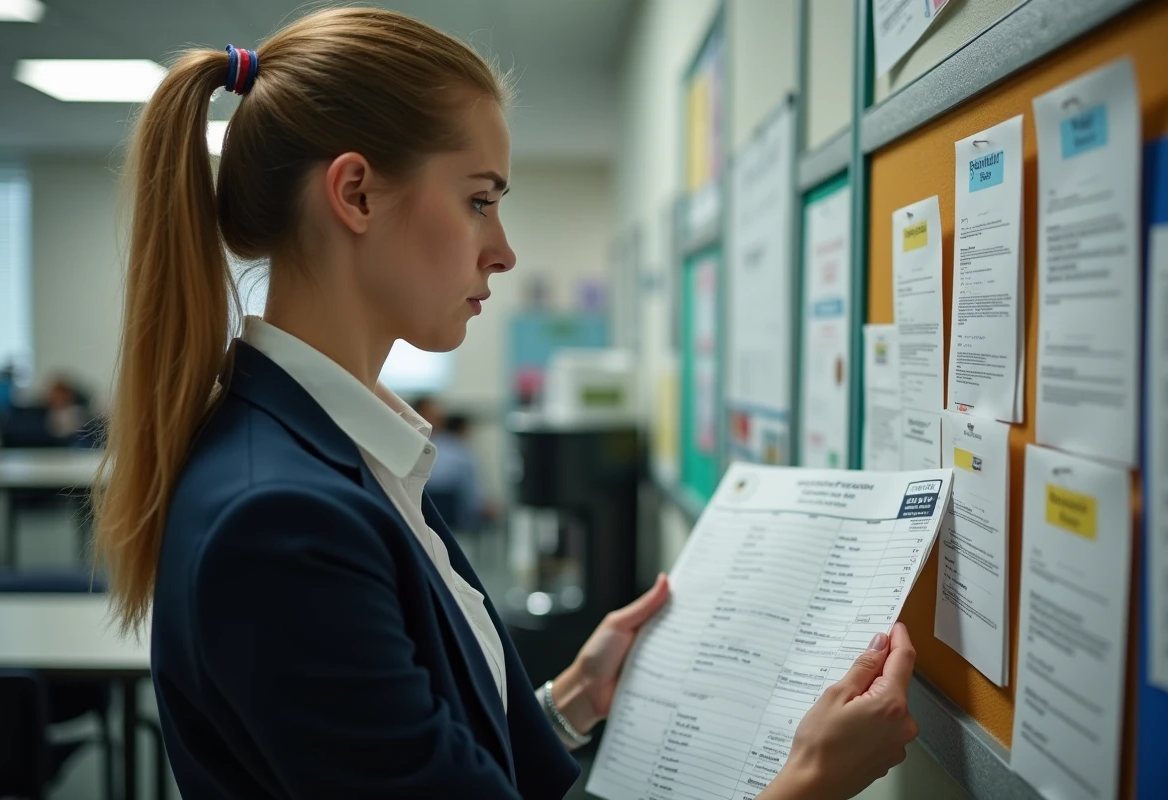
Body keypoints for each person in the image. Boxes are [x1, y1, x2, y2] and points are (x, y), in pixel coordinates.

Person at [92, 8, 919, 799]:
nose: (504, 250)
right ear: (357, 195)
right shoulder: (277, 521)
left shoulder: (334, 452)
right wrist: (809, 781)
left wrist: (571, 700)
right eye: (479, 199)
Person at [412, 397, 494, 528]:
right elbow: (472, 495)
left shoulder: (404, 448)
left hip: (416, 519)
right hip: (455, 519)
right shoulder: (459, 451)